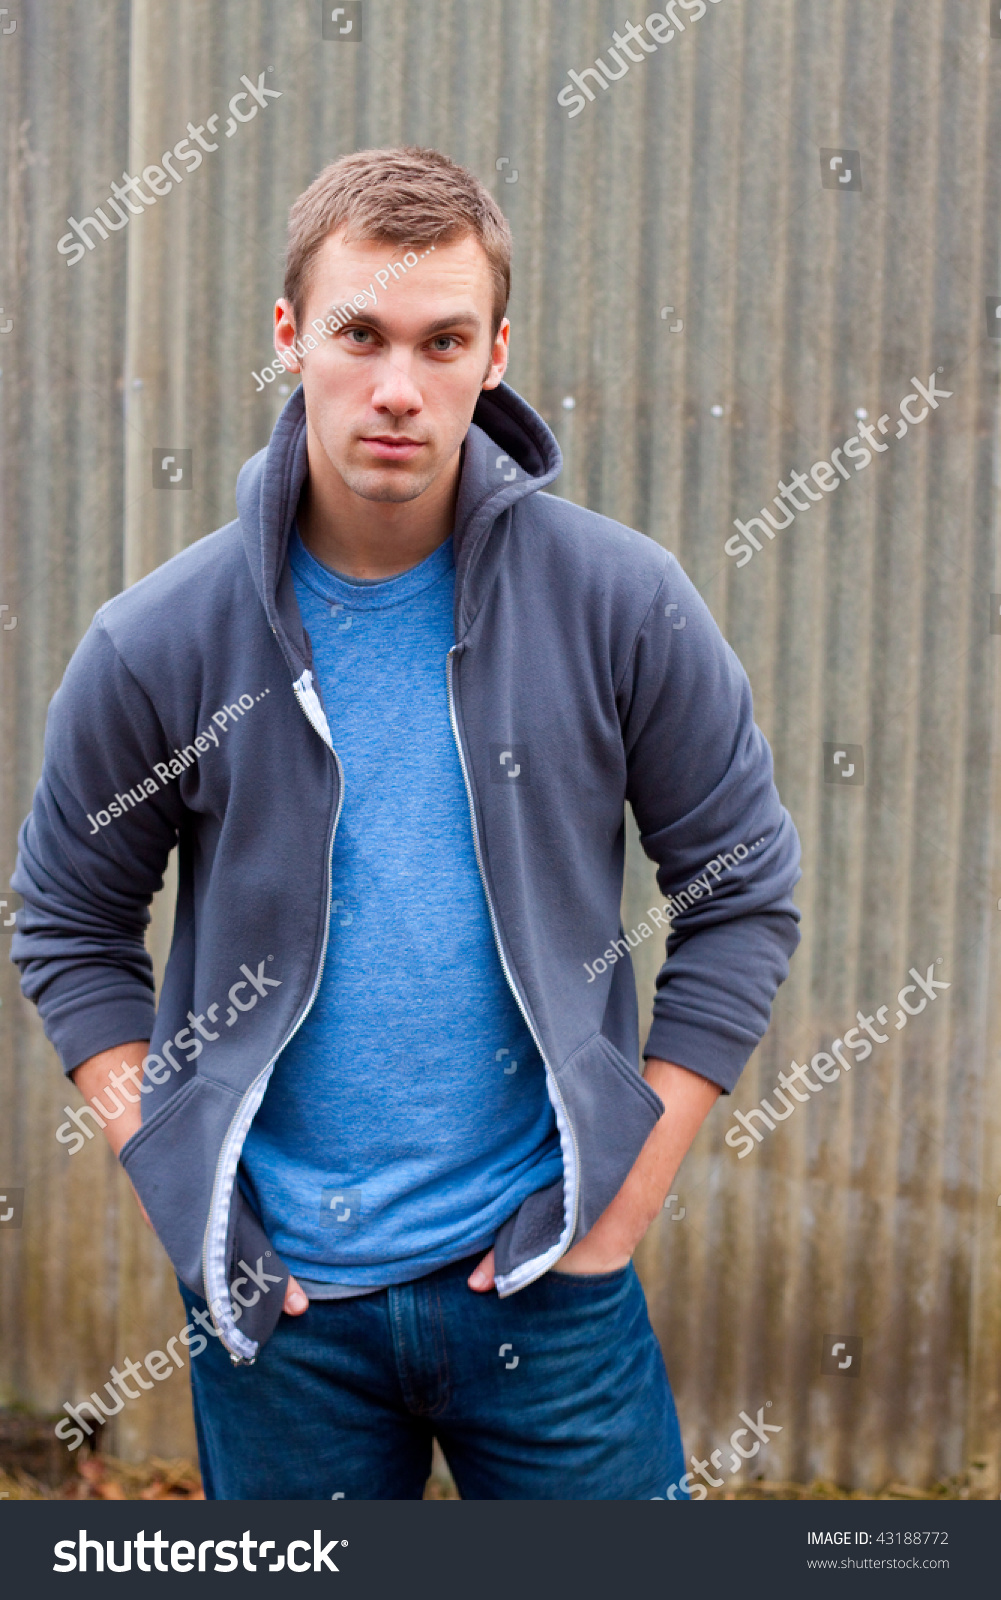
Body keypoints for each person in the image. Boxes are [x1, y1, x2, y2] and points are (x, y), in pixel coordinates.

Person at [13, 146, 800, 1500]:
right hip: (283, 1322)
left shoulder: (619, 601)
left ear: (497, 353)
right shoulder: (159, 641)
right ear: (288, 338)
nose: (396, 388)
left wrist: (619, 1201)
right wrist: (184, 1175)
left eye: (442, 342)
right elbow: (69, 928)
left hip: (551, 1288)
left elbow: (740, 897)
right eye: (357, 334)